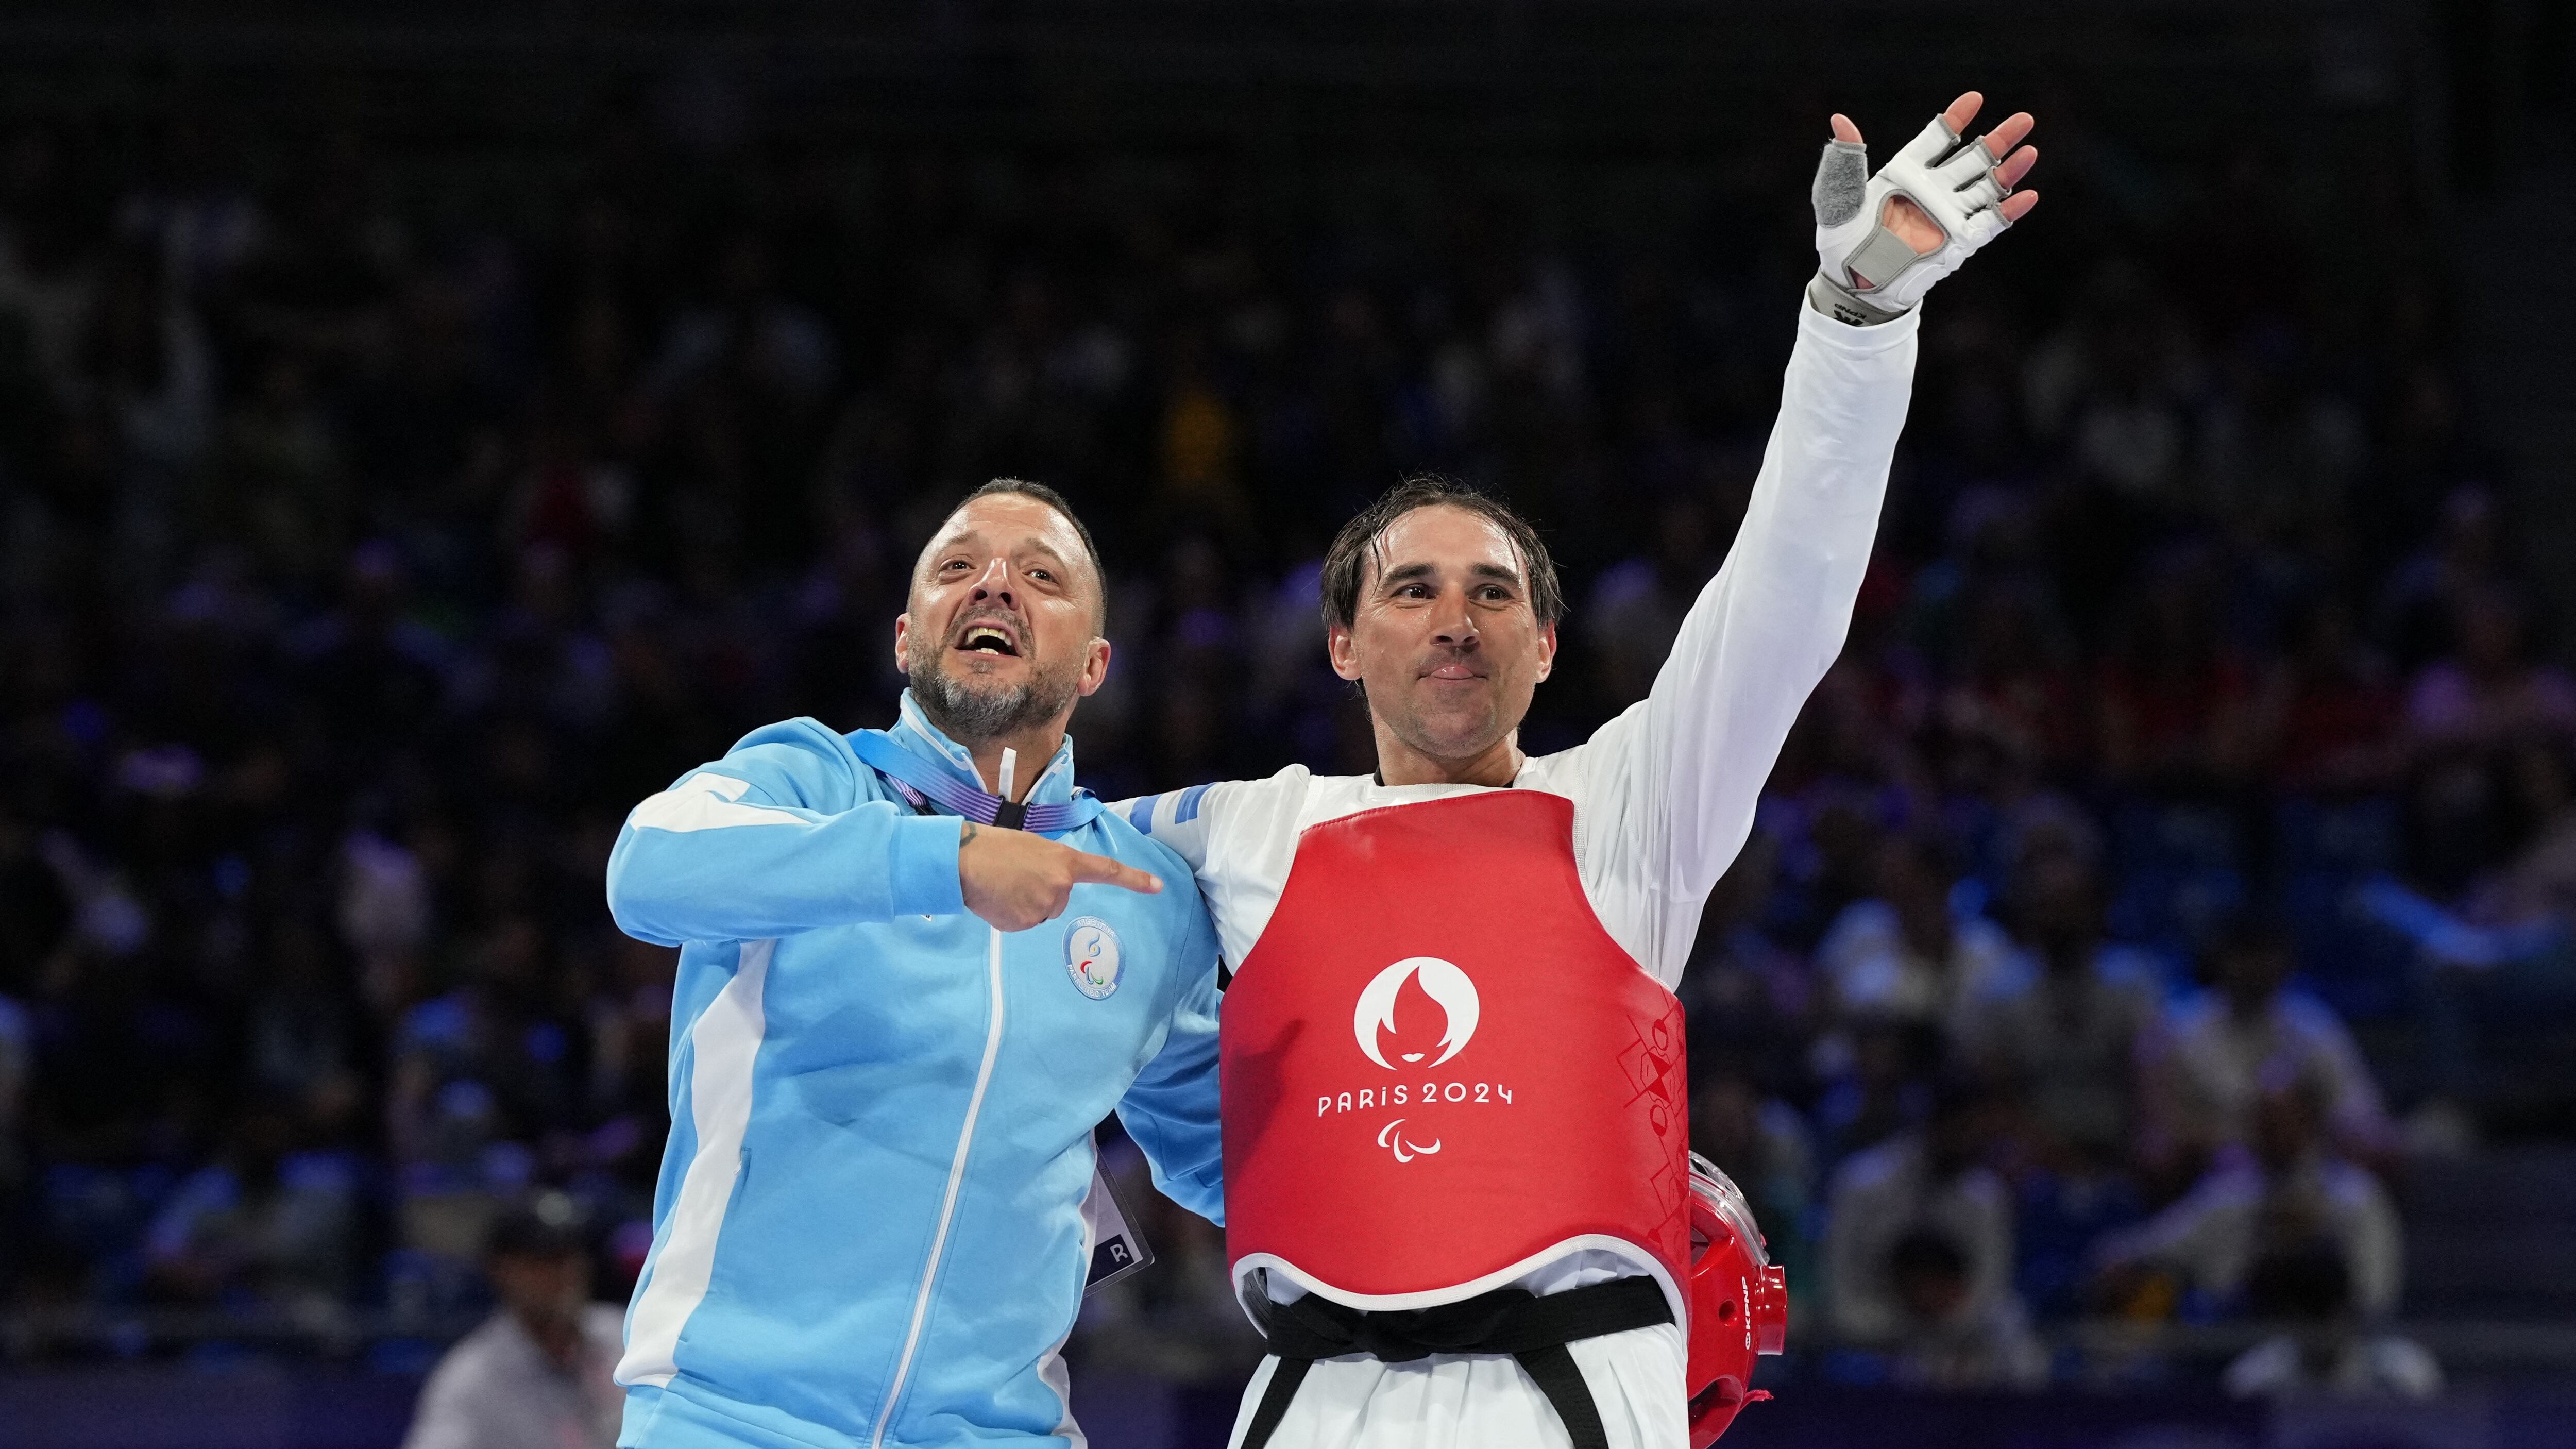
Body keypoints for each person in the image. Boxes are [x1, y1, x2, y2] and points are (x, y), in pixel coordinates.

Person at [1122, 92, 2040, 1449]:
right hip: (1311, 1395)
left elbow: (1786, 593)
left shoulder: (1628, 808)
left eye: (1494, 592)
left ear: (1548, 646)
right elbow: (1001, 864)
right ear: (1340, 642)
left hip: (1563, 1394)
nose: (1455, 618)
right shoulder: (1245, 831)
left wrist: (1858, 322)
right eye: (1414, 589)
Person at [602, 479, 1228, 1448]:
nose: (994, 586)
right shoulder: (807, 781)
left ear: (1096, 662)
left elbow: (1234, 1157)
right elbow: (649, 865)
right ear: (906, 636)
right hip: (732, 1419)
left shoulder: (1146, 895)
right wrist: (946, 860)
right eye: (958, 568)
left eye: (1040, 576)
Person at [404, 1194, 626, 1449]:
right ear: (501, 1270)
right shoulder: (472, 1377)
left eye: (570, 1255)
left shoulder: (622, 1335)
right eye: (542, 1261)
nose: (562, 1273)